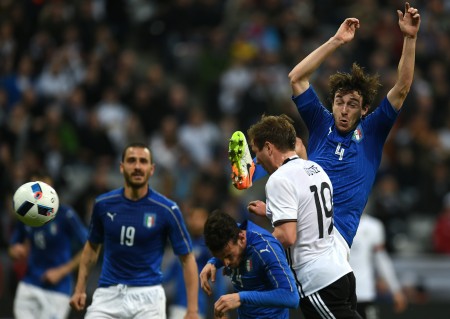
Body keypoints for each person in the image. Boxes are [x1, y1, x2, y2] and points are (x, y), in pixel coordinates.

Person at [231, 2, 421, 258]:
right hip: (303, 225)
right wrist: (336, 40)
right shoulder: (322, 123)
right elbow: (297, 78)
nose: (343, 110)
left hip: (334, 237)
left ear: (364, 109)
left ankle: (272, 206)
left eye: (352, 104)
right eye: (339, 102)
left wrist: (409, 38)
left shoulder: (373, 130)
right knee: (293, 143)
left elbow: (402, 87)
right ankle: (250, 173)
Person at [246, 114, 361, 318]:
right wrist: (270, 210)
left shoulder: (278, 179)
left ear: (269, 147)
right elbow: (307, 209)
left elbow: (287, 236)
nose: (259, 161)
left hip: (317, 281)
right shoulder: (314, 168)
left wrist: (253, 248)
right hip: (340, 271)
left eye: (257, 153)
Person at [69, 142, 200, 319]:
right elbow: (91, 248)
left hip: (148, 298)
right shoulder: (103, 204)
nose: (137, 166)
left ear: (151, 169)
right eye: (131, 161)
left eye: (143, 161)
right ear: (122, 168)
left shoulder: (167, 209)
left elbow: (187, 258)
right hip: (108, 294)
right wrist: (79, 289)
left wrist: (192, 310)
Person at [8, 173, 88, 319]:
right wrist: (15, 251)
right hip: (30, 283)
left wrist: (62, 271)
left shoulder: (65, 215)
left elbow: (90, 247)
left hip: (57, 289)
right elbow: (13, 247)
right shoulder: (25, 215)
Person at [199, 209, 299, 319]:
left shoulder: (266, 250)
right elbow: (225, 249)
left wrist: (240, 298)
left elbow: (291, 297)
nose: (226, 263)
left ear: (242, 238)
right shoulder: (231, 234)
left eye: (228, 256)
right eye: (221, 258)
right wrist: (212, 262)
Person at [163, 206, 227, 319]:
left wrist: (222, 308)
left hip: (197, 308)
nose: (195, 221)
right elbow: (169, 274)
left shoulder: (209, 247)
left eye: (200, 218)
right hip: (178, 305)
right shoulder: (183, 245)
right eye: (193, 218)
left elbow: (219, 279)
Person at [350, 207, 407, 319]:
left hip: (364, 292)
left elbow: (381, 260)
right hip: (337, 294)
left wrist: (395, 289)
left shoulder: (373, 226)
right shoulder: (330, 222)